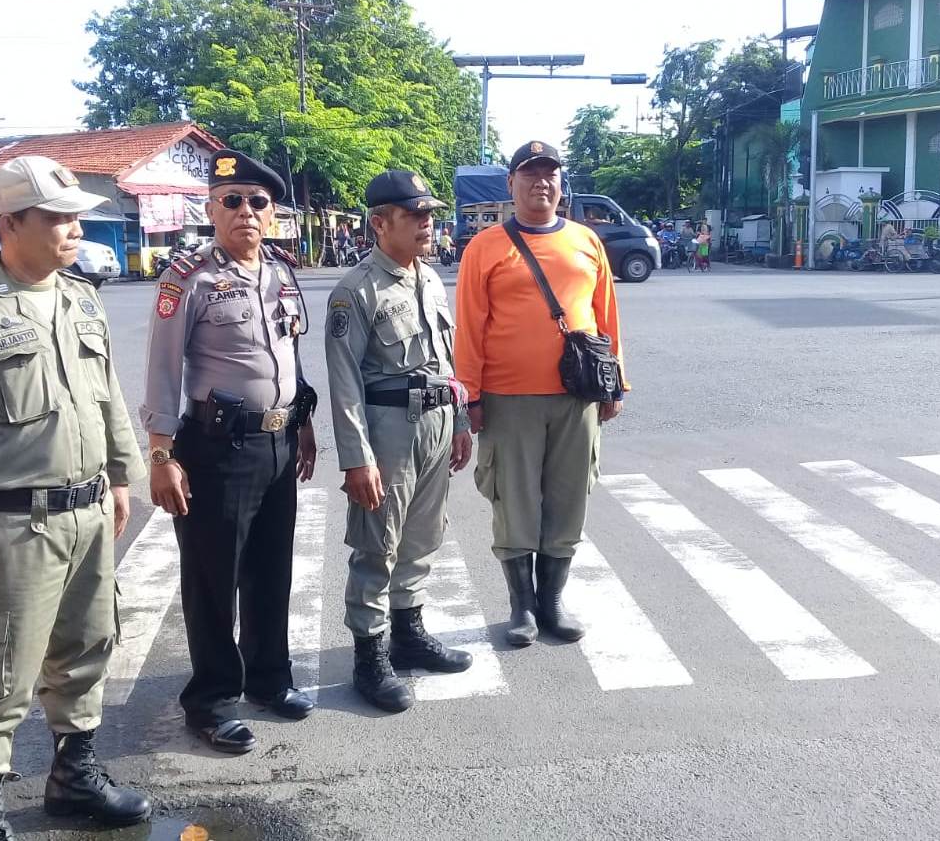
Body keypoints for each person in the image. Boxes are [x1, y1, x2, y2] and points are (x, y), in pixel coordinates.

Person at [0, 155, 151, 839]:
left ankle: (73, 778)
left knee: (87, 646)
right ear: (9, 223)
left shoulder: (81, 297)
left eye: (77, 218)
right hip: (12, 525)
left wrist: (121, 476)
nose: (74, 229)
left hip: (87, 512)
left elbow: (105, 396)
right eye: (57, 218)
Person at [142, 149, 318, 755]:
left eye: (257, 202)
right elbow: (162, 370)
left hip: (278, 441)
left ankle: (269, 679)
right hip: (217, 448)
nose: (246, 211)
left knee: (271, 569)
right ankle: (213, 700)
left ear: (272, 214)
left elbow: (289, 355)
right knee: (213, 577)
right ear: (211, 210)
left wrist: (302, 422)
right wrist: (161, 455)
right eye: (232, 201)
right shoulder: (187, 278)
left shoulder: (282, 272)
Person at [455, 140, 627, 648]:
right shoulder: (485, 247)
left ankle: (552, 600)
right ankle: (522, 606)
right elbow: (470, 326)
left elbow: (606, 315)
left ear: (560, 183)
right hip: (508, 397)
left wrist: (616, 381)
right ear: (511, 184)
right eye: (530, 174)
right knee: (514, 501)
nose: (541, 183)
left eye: (549, 173)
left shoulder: (586, 241)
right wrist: (471, 396)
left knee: (569, 497)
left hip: (578, 396)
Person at [325, 170, 475, 713]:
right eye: (414, 215)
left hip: (435, 422)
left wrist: (460, 421)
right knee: (377, 544)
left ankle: (408, 635)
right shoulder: (356, 290)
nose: (427, 223)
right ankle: (369, 657)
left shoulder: (429, 278)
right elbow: (344, 382)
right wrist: (356, 459)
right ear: (380, 223)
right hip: (388, 431)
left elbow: (445, 360)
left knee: (422, 537)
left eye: (429, 214)